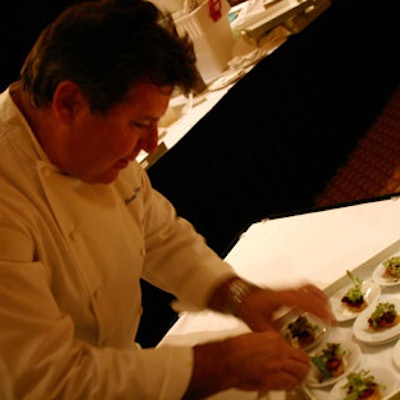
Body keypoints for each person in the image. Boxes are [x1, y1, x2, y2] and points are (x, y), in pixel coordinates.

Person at [0, 0, 336, 398]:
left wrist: (241, 296)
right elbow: (48, 380)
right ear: (69, 103)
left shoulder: (93, 149)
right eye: (140, 123)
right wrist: (219, 363)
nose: (151, 142)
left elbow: (159, 235)